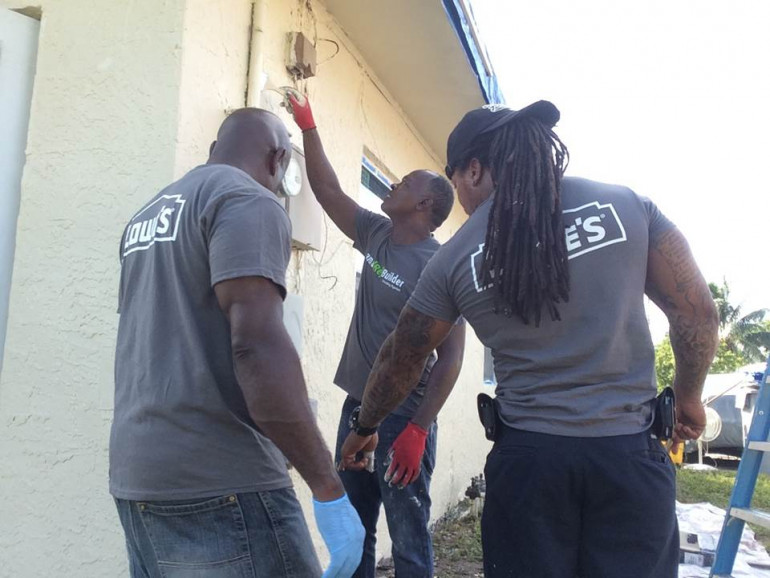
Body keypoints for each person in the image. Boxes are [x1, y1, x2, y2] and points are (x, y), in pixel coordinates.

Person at [340, 101, 719, 578]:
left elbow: (403, 355)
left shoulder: (455, 258)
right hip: (631, 457)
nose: (459, 195)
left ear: (473, 170)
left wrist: (365, 424)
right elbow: (697, 311)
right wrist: (689, 397)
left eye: (454, 182)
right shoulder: (627, 206)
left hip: (529, 468)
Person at [110, 108, 364, 578]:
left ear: (213, 152)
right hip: (222, 483)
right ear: (279, 159)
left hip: (136, 477)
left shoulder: (147, 215)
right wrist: (327, 487)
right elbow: (256, 347)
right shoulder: (248, 200)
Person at [287, 92, 466, 578]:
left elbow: (450, 360)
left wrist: (418, 429)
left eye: (404, 182)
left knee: (408, 536)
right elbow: (327, 191)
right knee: (355, 529)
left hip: (404, 416)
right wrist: (308, 124)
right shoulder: (377, 234)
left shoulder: (440, 265)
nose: (392, 183)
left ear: (424, 203)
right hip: (357, 409)